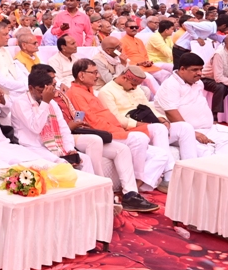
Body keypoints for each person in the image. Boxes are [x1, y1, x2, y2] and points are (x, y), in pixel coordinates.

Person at [66, 59, 173, 193]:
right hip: (106, 133)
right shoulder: (76, 93)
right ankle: (136, 182)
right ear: (81, 75)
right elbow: (91, 121)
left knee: (161, 154)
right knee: (140, 138)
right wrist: (117, 130)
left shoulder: (88, 90)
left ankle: (139, 186)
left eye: (97, 72)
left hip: (115, 129)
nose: (97, 76)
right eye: (94, 73)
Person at [98, 65, 202, 159]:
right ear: (124, 78)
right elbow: (115, 119)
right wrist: (141, 124)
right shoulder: (106, 92)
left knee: (185, 127)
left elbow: (148, 106)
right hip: (131, 128)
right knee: (159, 128)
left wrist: (162, 119)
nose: (135, 88)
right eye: (133, 84)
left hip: (149, 124)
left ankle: (190, 164)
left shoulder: (136, 88)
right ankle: (168, 169)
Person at [153, 53, 228, 155]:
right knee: (205, 151)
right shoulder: (170, 85)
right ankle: (217, 161)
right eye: (195, 70)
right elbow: (171, 113)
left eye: (201, 69)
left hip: (206, 129)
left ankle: (219, 162)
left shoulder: (198, 83)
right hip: (184, 133)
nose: (200, 73)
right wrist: (193, 133)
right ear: (182, 69)